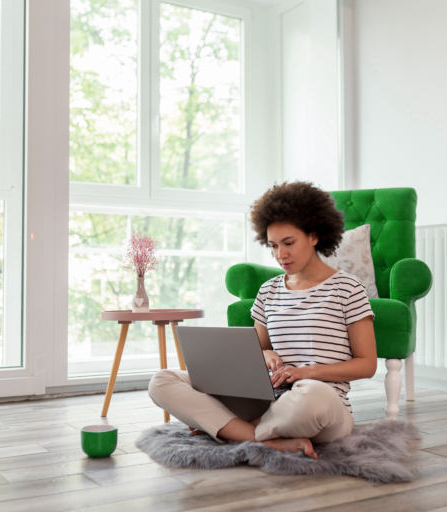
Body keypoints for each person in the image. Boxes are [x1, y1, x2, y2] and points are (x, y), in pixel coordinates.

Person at [148, 181, 377, 458]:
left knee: (312, 395)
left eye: (289, 243)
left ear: (314, 236)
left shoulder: (347, 288)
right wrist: (266, 355)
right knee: (162, 380)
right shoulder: (269, 291)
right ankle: (263, 438)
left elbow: (367, 365)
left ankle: (229, 430)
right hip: (269, 400)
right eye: (273, 246)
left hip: (320, 404)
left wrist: (306, 372)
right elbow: (256, 350)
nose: (281, 254)